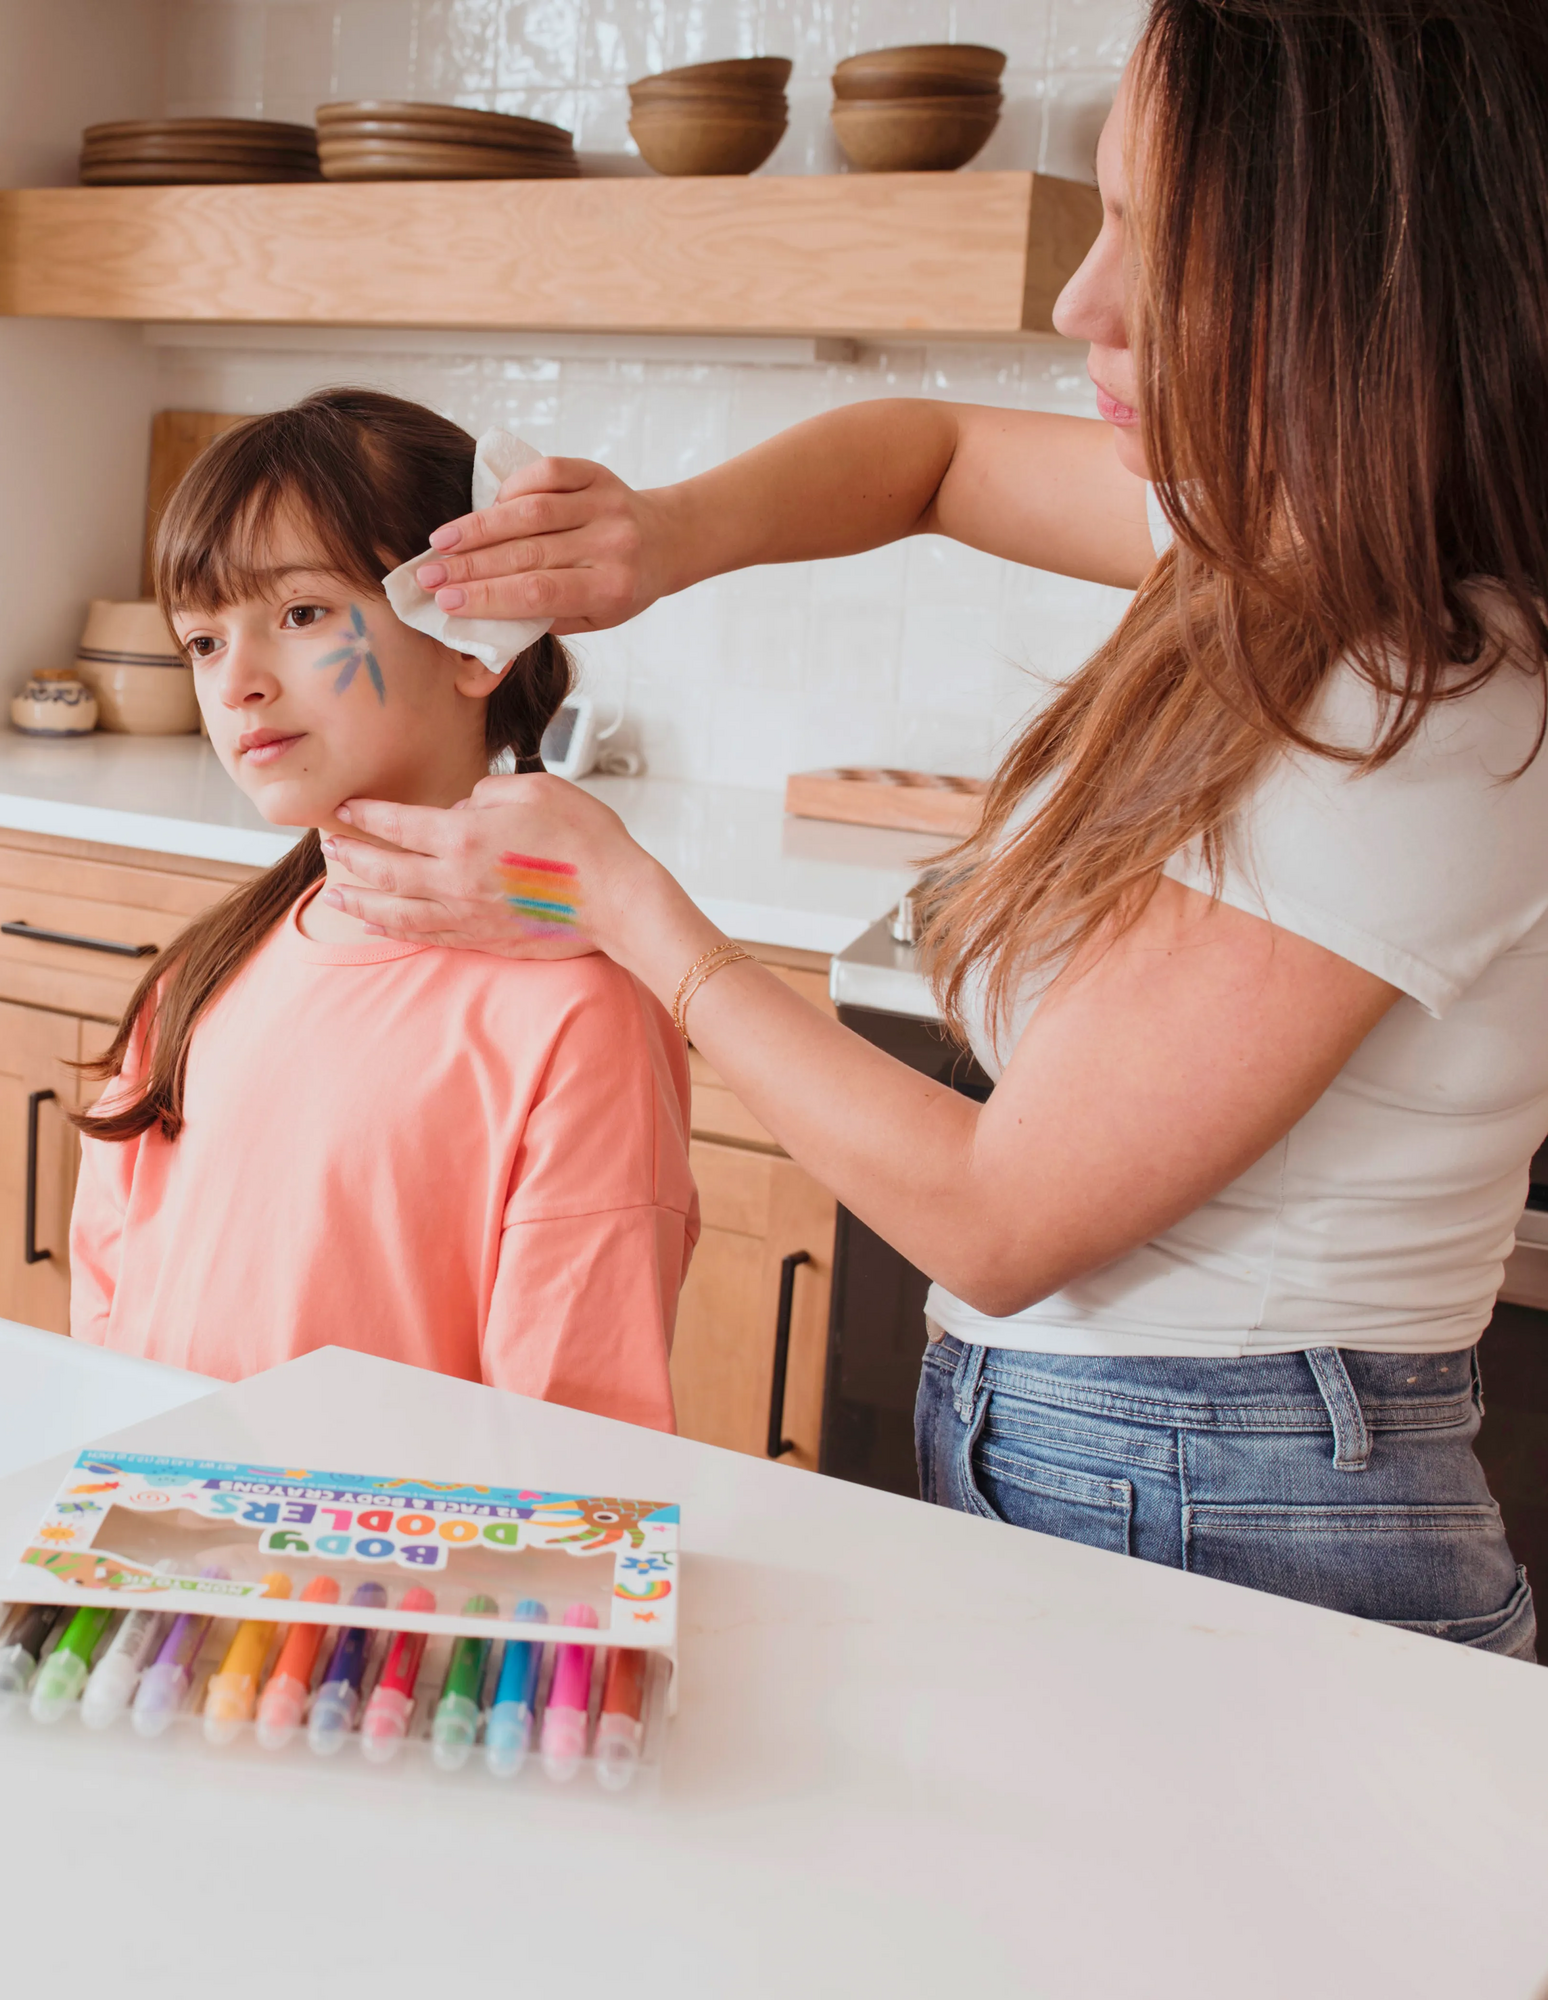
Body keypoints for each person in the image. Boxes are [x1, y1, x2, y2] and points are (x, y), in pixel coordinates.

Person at [314, 0, 1546, 1659]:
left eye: (1157, 239)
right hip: (1129, 1464)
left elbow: (1000, 1220)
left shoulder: (1433, 695)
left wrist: (625, 905)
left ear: (1361, 283)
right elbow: (935, 451)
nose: (1078, 299)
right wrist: (657, 538)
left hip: (1232, 1510)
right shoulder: (1288, 530)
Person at [66, 390, 697, 1427]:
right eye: (203, 643)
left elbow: (575, 1439)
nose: (237, 685)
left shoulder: (578, 1019)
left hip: (395, 1585)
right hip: (178, 1551)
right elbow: (106, 1305)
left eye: (301, 614)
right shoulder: (196, 978)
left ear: (473, 638)